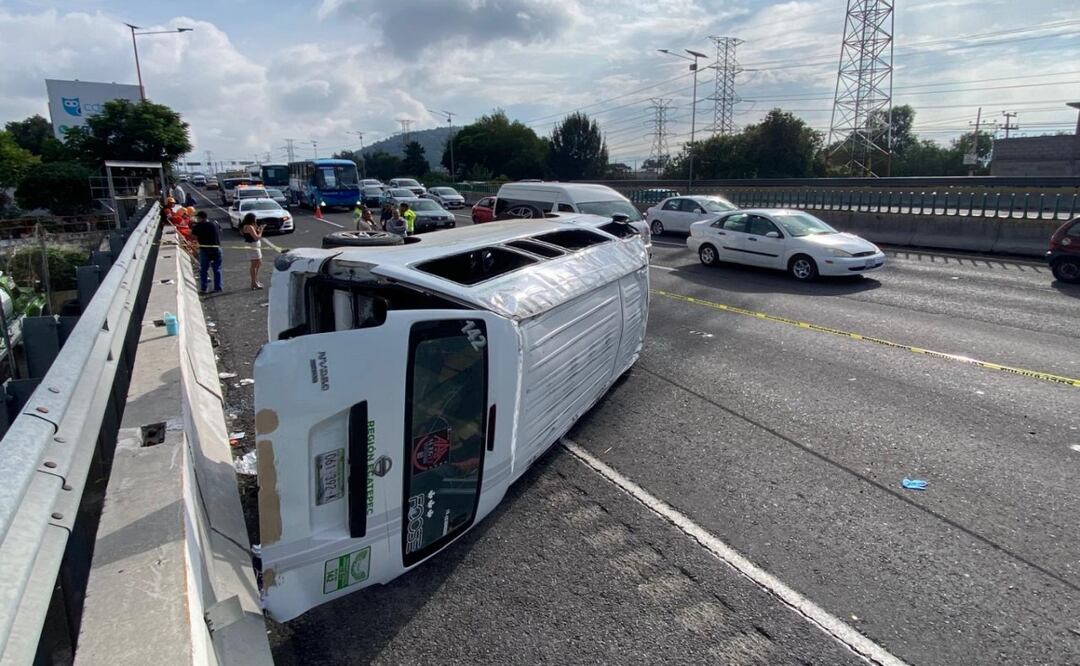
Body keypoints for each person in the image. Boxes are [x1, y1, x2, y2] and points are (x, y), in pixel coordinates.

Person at [191, 211, 223, 293]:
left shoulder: (198, 226)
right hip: (216, 248)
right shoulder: (214, 224)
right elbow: (220, 231)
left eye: (198, 218)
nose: (197, 219)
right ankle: (218, 287)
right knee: (217, 269)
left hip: (204, 250)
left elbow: (193, 237)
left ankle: (204, 288)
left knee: (203, 270)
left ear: (201, 218)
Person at [239, 212, 265, 290]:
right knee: (254, 264)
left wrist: (257, 228)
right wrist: (261, 231)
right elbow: (256, 237)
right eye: (255, 219)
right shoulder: (249, 227)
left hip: (253, 245)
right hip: (253, 246)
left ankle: (255, 280)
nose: (255, 220)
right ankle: (253, 282)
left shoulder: (246, 226)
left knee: (259, 262)